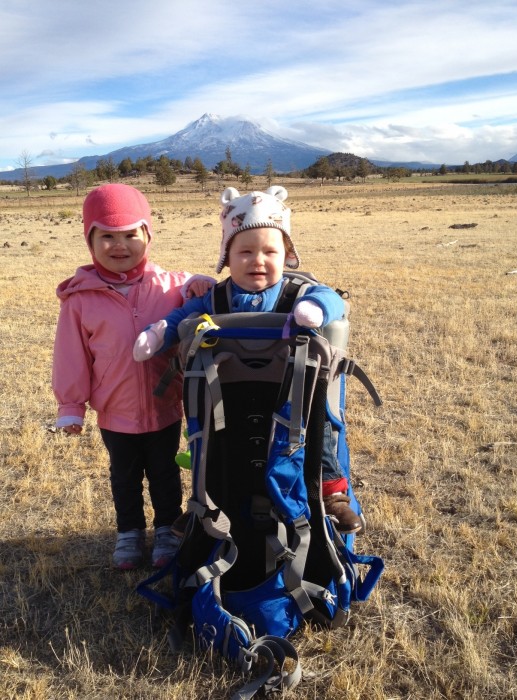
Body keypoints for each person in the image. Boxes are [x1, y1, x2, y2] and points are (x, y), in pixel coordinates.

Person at [134, 186, 364, 535]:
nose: (257, 260)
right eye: (245, 251)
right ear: (226, 257)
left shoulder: (299, 293)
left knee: (324, 425)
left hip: (295, 401)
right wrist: (158, 334)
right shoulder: (216, 297)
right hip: (230, 400)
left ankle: (330, 497)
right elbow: (183, 315)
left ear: (286, 256)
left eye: (270, 251)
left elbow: (331, 298)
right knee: (205, 432)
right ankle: (204, 500)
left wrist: (315, 310)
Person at [52, 183, 213, 570]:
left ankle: (164, 532)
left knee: (164, 473)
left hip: (164, 408)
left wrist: (203, 282)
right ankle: (128, 533)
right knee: (123, 476)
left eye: (130, 235)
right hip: (114, 411)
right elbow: (70, 356)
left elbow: (203, 293)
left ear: (147, 236)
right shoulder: (80, 299)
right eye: (106, 236)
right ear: (90, 240)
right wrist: (71, 406)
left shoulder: (171, 286)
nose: (119, 245)